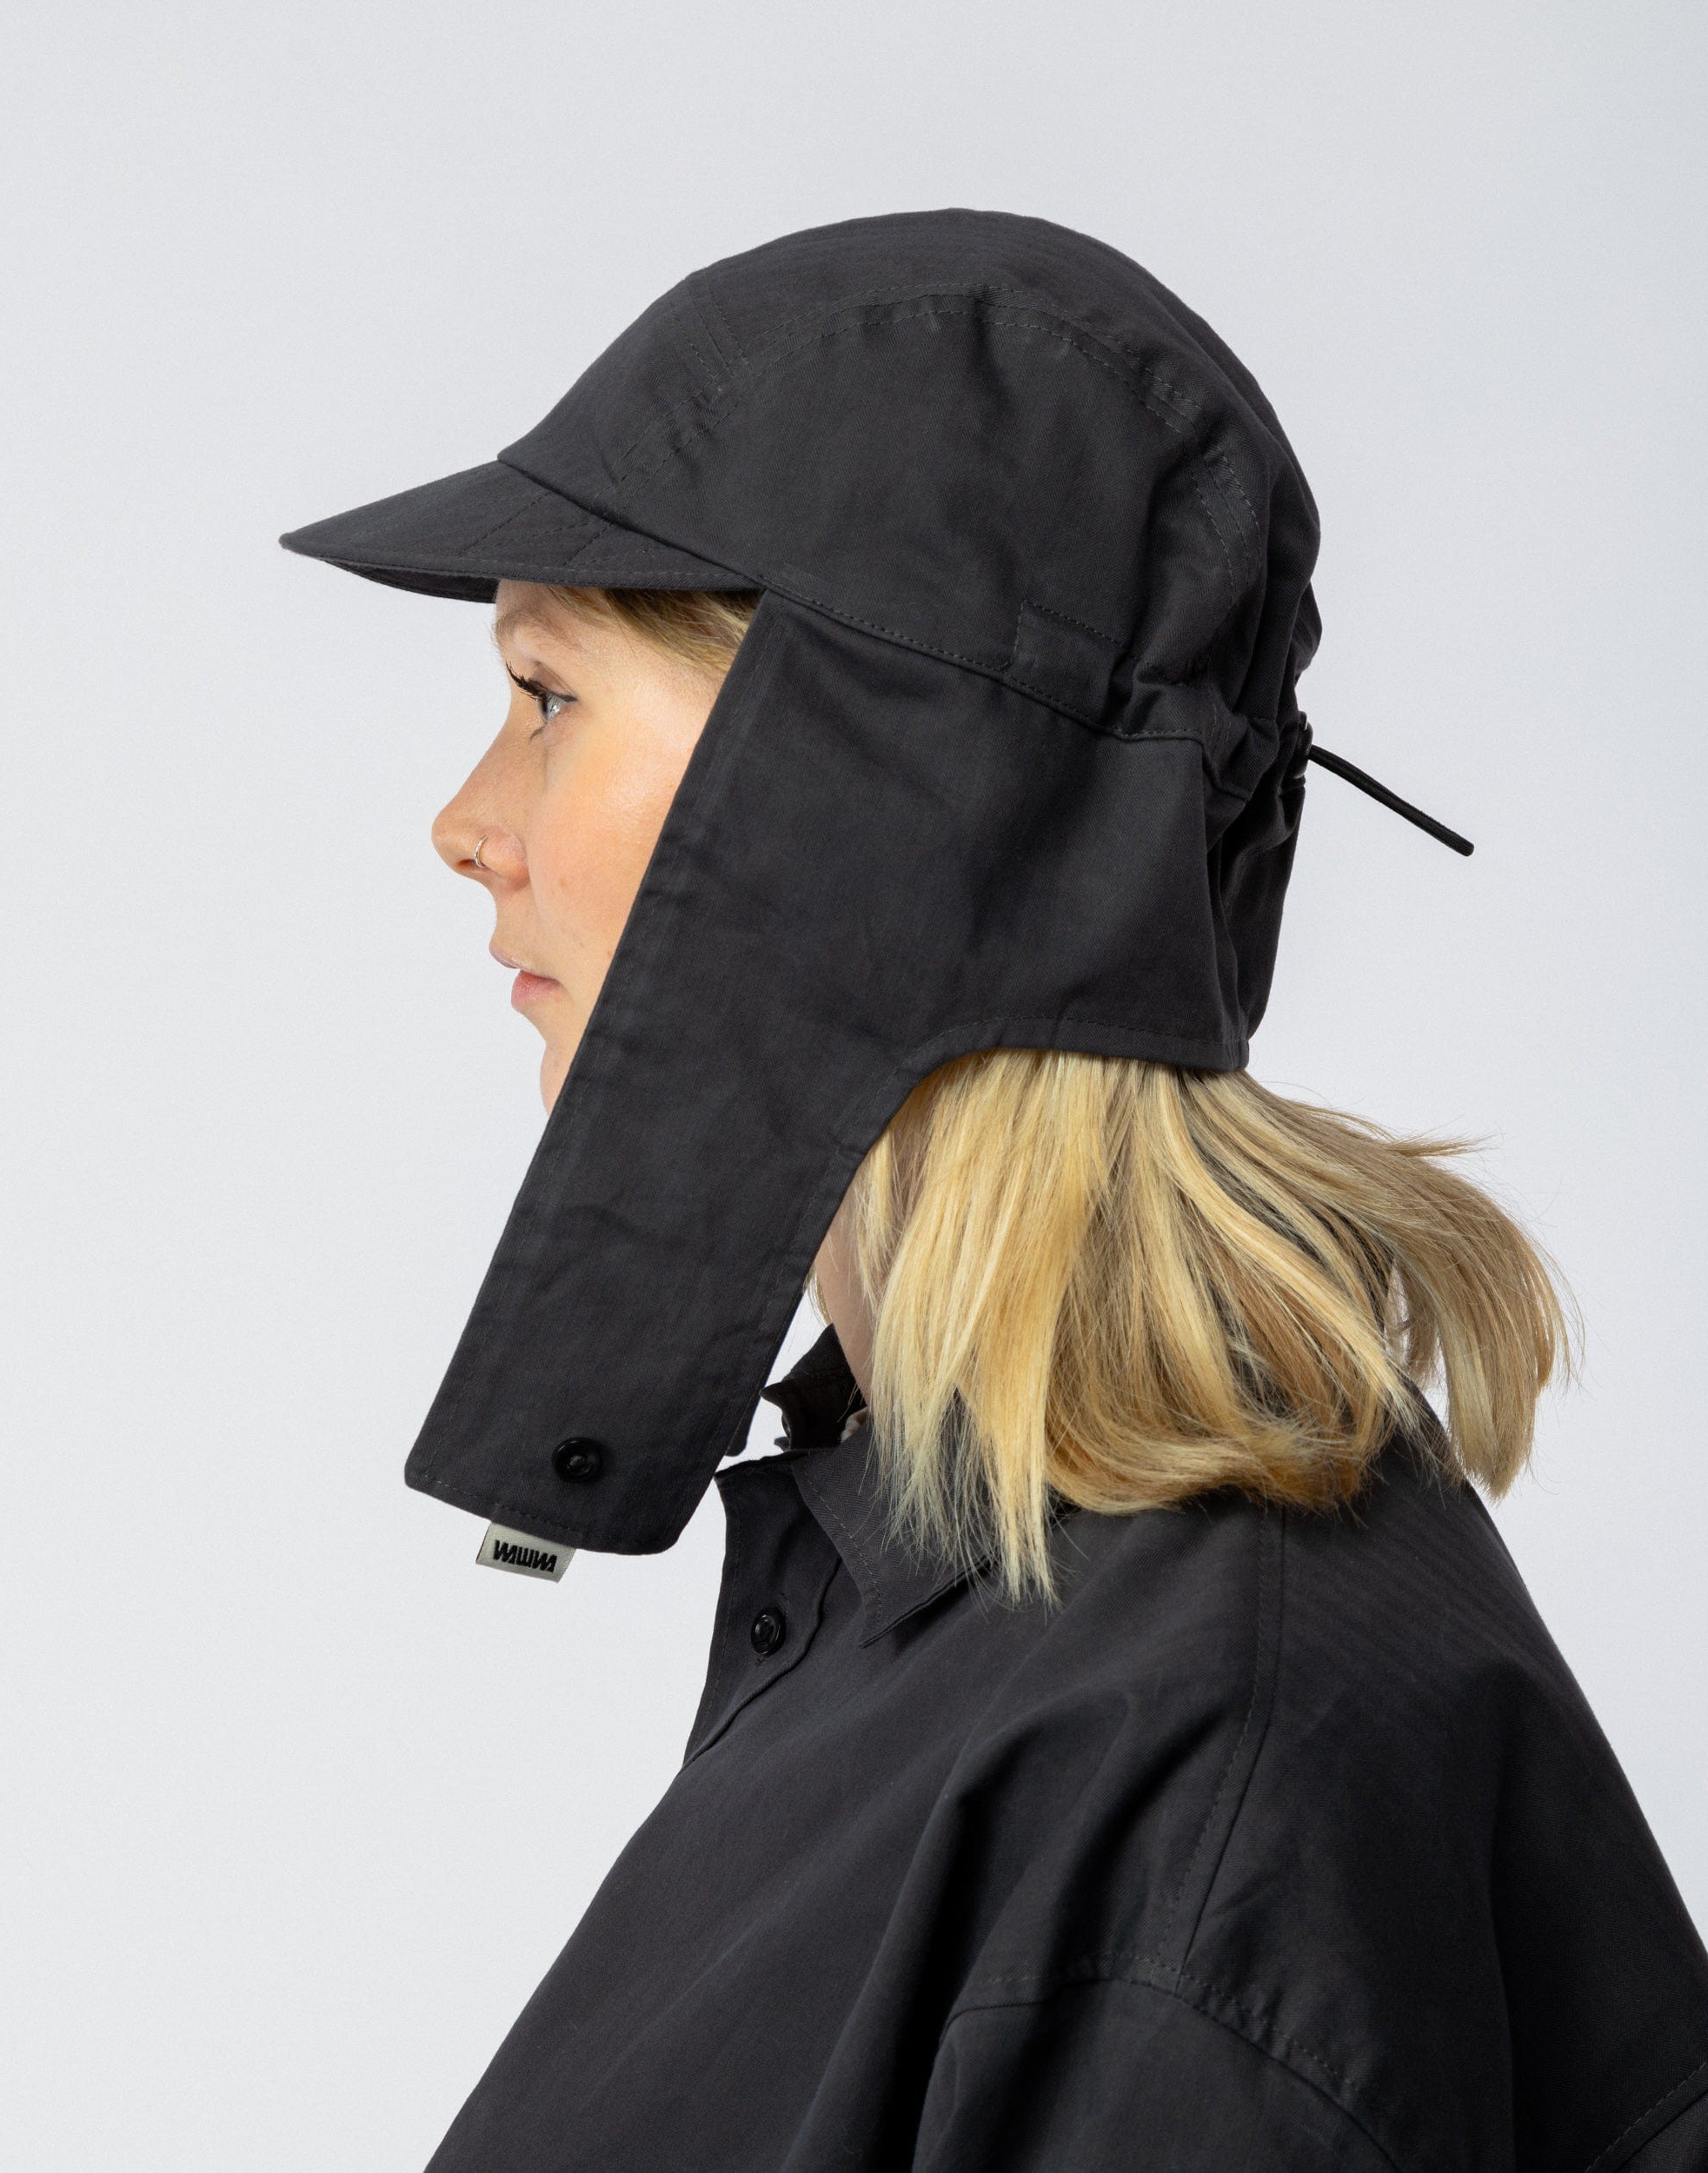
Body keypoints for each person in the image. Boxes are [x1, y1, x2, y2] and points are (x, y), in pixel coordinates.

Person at [281, 211, 1708, 2170]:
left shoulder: (1198, 1796)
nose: (468, 822)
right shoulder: (983, 1605)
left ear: (857, 797)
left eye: (548, 697)